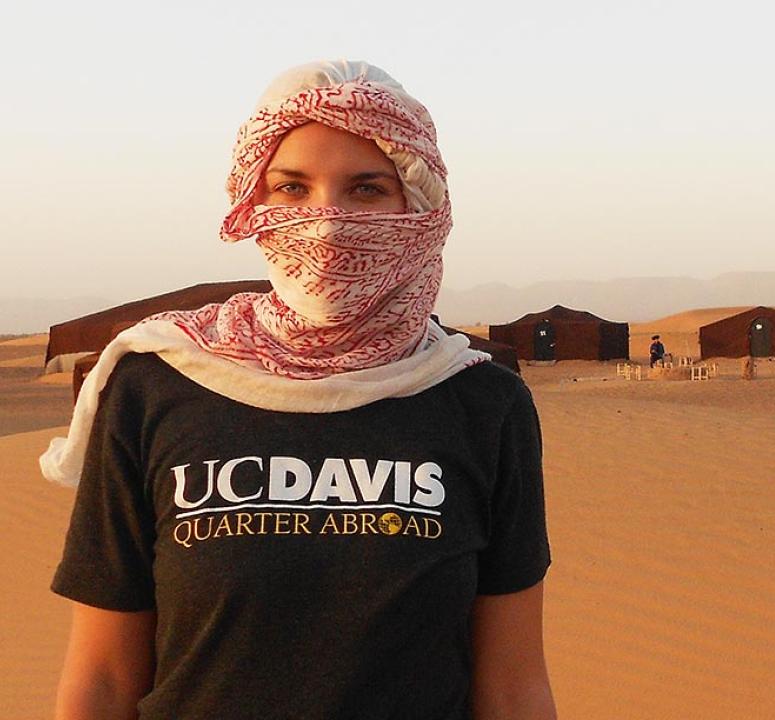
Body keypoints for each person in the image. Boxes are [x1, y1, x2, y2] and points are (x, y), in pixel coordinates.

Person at [43, 60, 555, 720]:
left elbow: (513, 686)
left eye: (367, 189)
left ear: (419, 206)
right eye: (291, 188)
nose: (327, 222)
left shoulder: (482, 400)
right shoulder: (159, 382)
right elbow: (103, 678)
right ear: (254, 202)